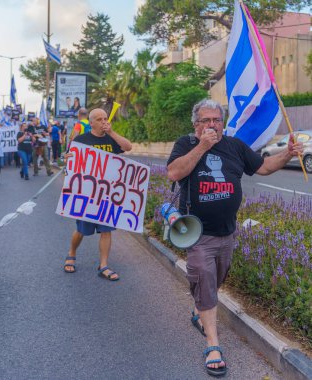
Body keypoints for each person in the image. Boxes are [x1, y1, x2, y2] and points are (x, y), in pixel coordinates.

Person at [166, 99, 304, 377]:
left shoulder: (234, 146)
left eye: (216, 120)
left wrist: (288, 154)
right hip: (197, 232)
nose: (212, 125)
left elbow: (263, 167)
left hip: (227, 230)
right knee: (204, 276)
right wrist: (203, 146)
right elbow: (174, 172)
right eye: (206, 120)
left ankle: (200, 309)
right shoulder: (185, 144)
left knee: (215, 279)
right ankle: (213, 345)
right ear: (196, 124)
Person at [63, 108, 132, 280]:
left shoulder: (112, 138)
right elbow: (70, 161)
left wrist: (113, 132)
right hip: (87, 193)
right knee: (81, 230)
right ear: (91, 123)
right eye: (99, 119)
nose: (103, 122)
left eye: (105, 118)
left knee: (106, 231)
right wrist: (68, 159)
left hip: (107, 194)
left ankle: (103, 265)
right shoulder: (81, 139)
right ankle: (71, 252)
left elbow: (128, 147)